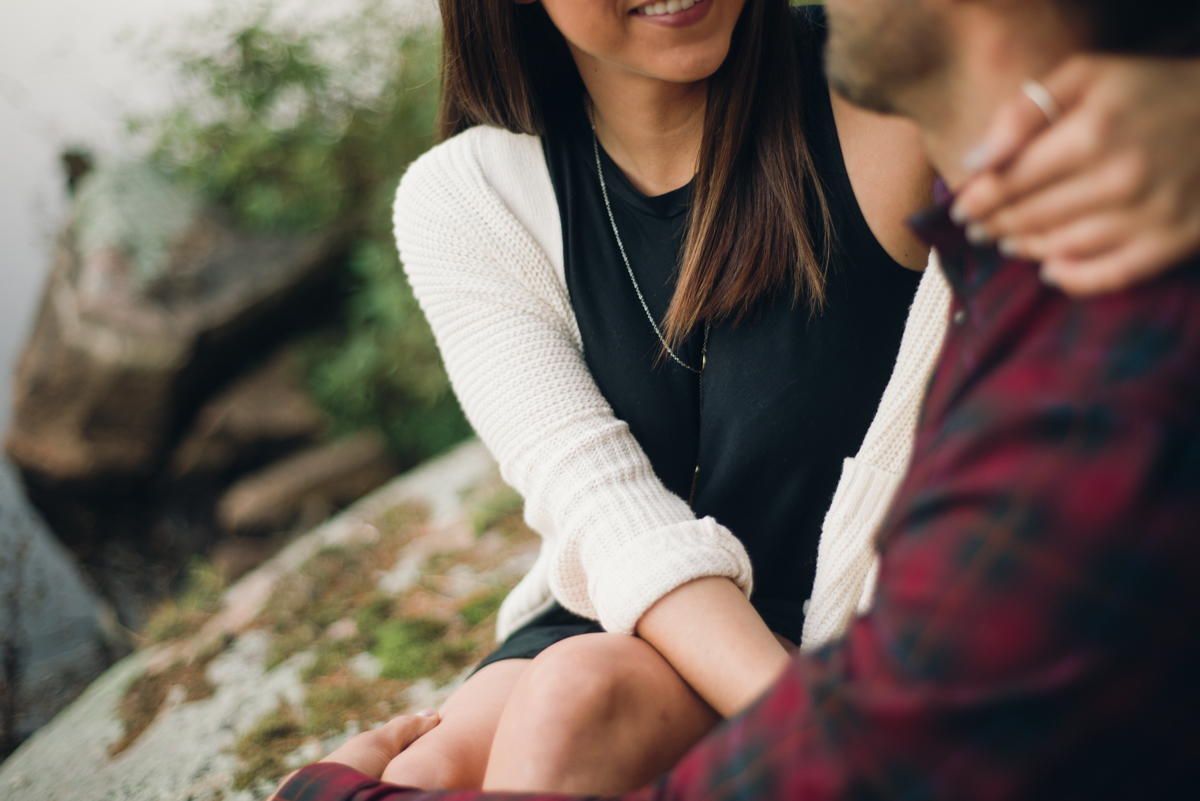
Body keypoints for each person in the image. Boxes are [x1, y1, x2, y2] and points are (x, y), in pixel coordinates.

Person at [272, 0, 1200, 794]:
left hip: (833, 648)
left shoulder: (881, 96)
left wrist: (1177, 102)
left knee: (569, 705)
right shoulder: (467, 198)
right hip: (632, 608)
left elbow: (1075, 83)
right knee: (424, 769)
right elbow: (603, 510)